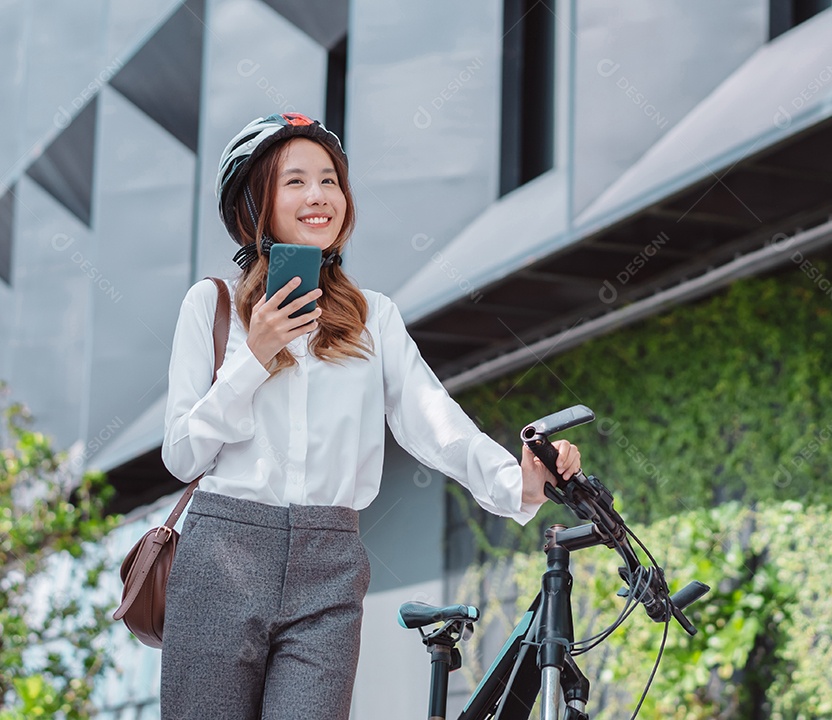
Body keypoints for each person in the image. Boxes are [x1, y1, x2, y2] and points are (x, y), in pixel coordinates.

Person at [159, 112, 580, 719]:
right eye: (294, 181)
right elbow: (181, 455)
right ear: (255, 202)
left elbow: (435, 421)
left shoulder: (373, 317)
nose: (318, 196)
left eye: (329, 180)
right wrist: (255, 354)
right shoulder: (212, 306)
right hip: (223, 555)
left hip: (329, 564)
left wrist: (518, 481)